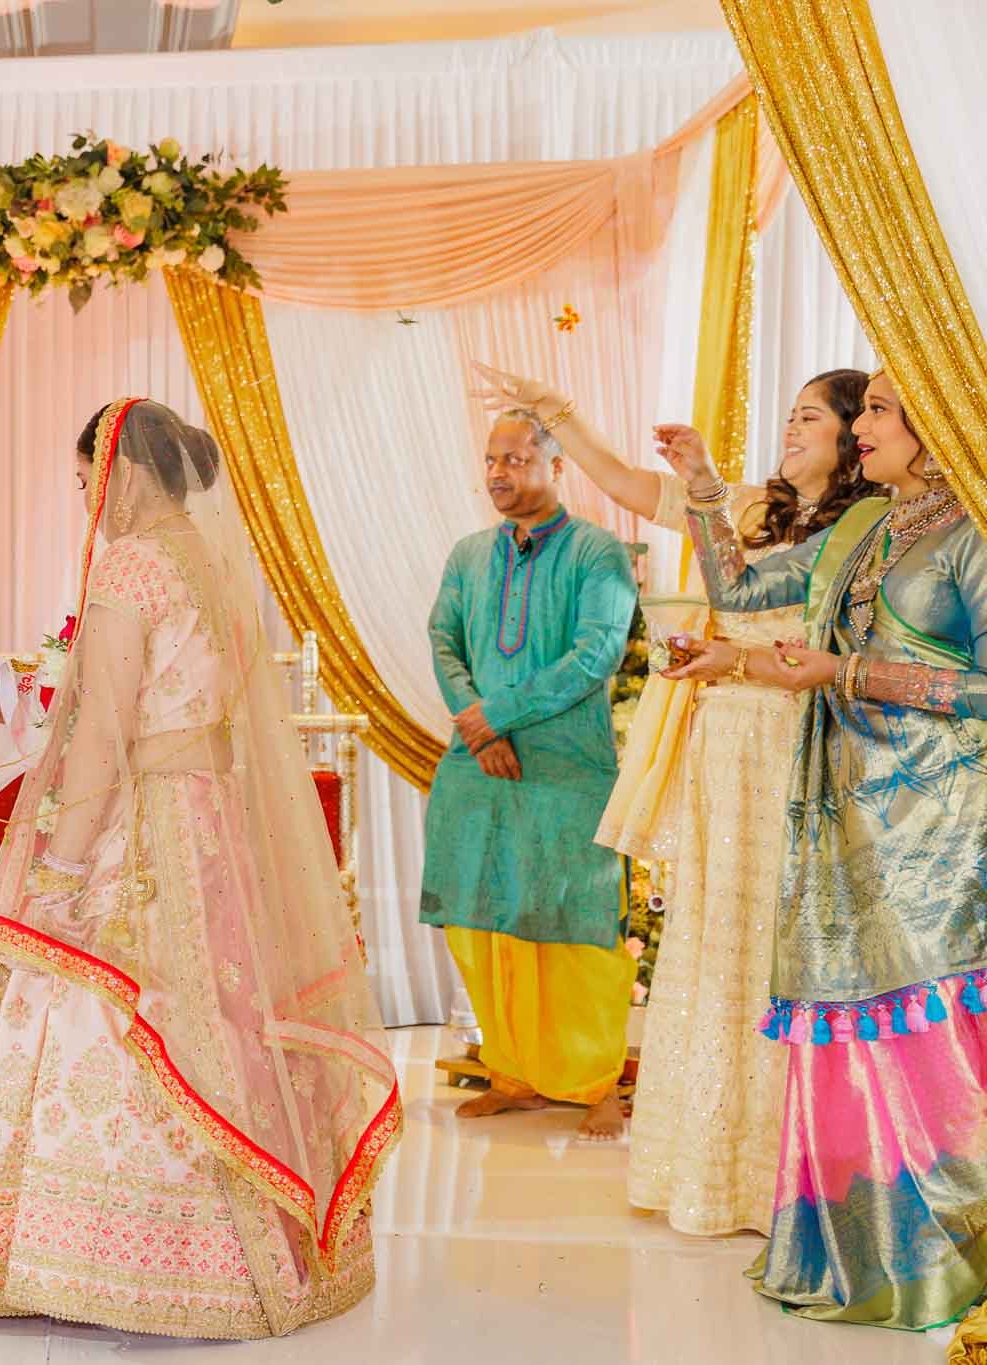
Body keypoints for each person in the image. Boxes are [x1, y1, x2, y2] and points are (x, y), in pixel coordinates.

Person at [0, 399, 400, 1339]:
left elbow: (105, 736)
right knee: (219, 1013)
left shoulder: (131, 566)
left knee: (113, 1007)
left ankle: (105, 1258)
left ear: (129, 471)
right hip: (210, 825)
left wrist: (64, 867)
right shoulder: (214, 561)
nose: (87, 504)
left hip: (145, 831)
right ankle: (256, 1260)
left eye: (85, 482)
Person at [476, 364, 878, 1233]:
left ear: (851, 439)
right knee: (711, 938)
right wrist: (563, 414)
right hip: (719, 739)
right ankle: (702, 1167)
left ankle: (782, 1171)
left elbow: (742, 594)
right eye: (791, 411)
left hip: (794, 741)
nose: (790, 427)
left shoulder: (855, 529)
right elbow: (625, 483)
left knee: (774, 944)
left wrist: (701, 491)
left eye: (810, 416)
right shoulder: (753, 505)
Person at [671, 369, 987, 1329]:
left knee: (933, 1026)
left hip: (940, 827)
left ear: (935, 424)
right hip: (845, 817)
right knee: (853, 1025)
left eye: (882, 411)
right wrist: (700, 487)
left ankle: (956, 1254)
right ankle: (873, 1251)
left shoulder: (972, 533)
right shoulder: (856, 530)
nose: (863, 428)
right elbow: (735, 585)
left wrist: (849, 669)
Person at [420, 408, 638, 1140]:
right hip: (479, 767)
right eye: (490, 460)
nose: (497, 474)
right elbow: (442, 639)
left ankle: (596, 1080)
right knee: (482, 917)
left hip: (567, 766)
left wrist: (498, 713)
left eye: (513, 459)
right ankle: (512, 1071)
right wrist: (478, 727)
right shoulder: (469, 555)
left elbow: (595, 653)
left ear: (555, 466)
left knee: (578, 919)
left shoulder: (596, 553)